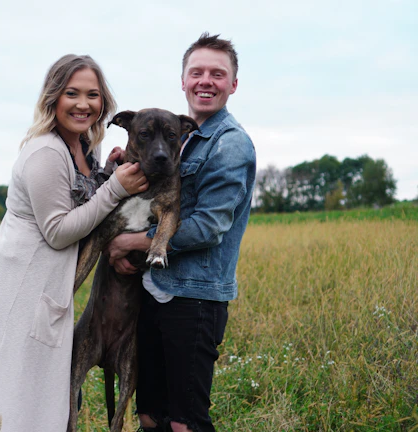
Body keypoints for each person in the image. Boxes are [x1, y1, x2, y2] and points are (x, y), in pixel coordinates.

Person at [0, 54, 148, 431]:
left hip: (45, 291)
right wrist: (115, 188)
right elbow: (59, 231)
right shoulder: (46, 152)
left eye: (93, 95)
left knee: (46, 406)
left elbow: (85, 201)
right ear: (53, 98)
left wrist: (108, 173)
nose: (83, 104)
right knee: (16, 407)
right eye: (72, 93)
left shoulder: (83, 145)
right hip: (16, 293)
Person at [106, 33, 257, 432]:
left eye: (218, 74)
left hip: (195, 298)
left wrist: (131, 243)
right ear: (184, 80)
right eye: (197, 72)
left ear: (233, 85)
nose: (206, 80)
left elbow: (209, 227)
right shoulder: (179, 138)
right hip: (155, 291)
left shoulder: (229, 144)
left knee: (184, 423)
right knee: (150, 416)